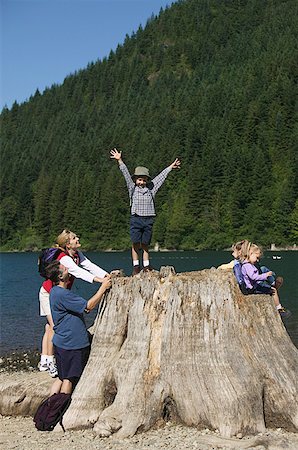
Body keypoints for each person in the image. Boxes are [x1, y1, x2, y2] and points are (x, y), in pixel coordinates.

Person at [38, 229, 111, 377]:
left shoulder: (77, 255)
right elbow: (78, 272)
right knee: (55, 326)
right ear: (67, 244)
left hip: (57, 295)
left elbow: (89, 266)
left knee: (48, 327)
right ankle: (52, 362)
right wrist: (100, 281)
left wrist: (106, 275)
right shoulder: (64, 258)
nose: (77, 238)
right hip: (48, 294)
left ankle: (44, 360)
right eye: (73, 238)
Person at [45, 260, 112, 396]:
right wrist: (103, 287)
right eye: (64, 269)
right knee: (69, 380)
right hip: (71, 344)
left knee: (61, 378)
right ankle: (59, 408)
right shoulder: (63, 294)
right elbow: (88, 306)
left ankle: (50, 407)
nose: (68, 269)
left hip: (62, 342)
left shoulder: (55, 292)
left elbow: (83, 308)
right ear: (60, 276)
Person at [110, 148, 181, 275]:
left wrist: (170, 167)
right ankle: (136, 266)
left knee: (145, 244)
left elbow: (161, 177)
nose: (141, 182)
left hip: (148, 219)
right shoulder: (132, 188)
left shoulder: (151, 189)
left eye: (143, 180)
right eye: (139, 179)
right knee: (135, 243)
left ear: (147, 180)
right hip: (136, 218)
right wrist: (119, 160)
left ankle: (146, 266)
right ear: (136, 180)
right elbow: (126, 174)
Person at [241, 243, 290, 318]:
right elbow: (253, 277)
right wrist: (265, 275)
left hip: (254, 286)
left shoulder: (248, 265)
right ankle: (279, 309)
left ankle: (273, 284)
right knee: (273, 291)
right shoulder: (247, 266)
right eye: (256, 257)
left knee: (268, 285)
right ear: (250, 254)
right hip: (252, 289)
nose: (257, 260)